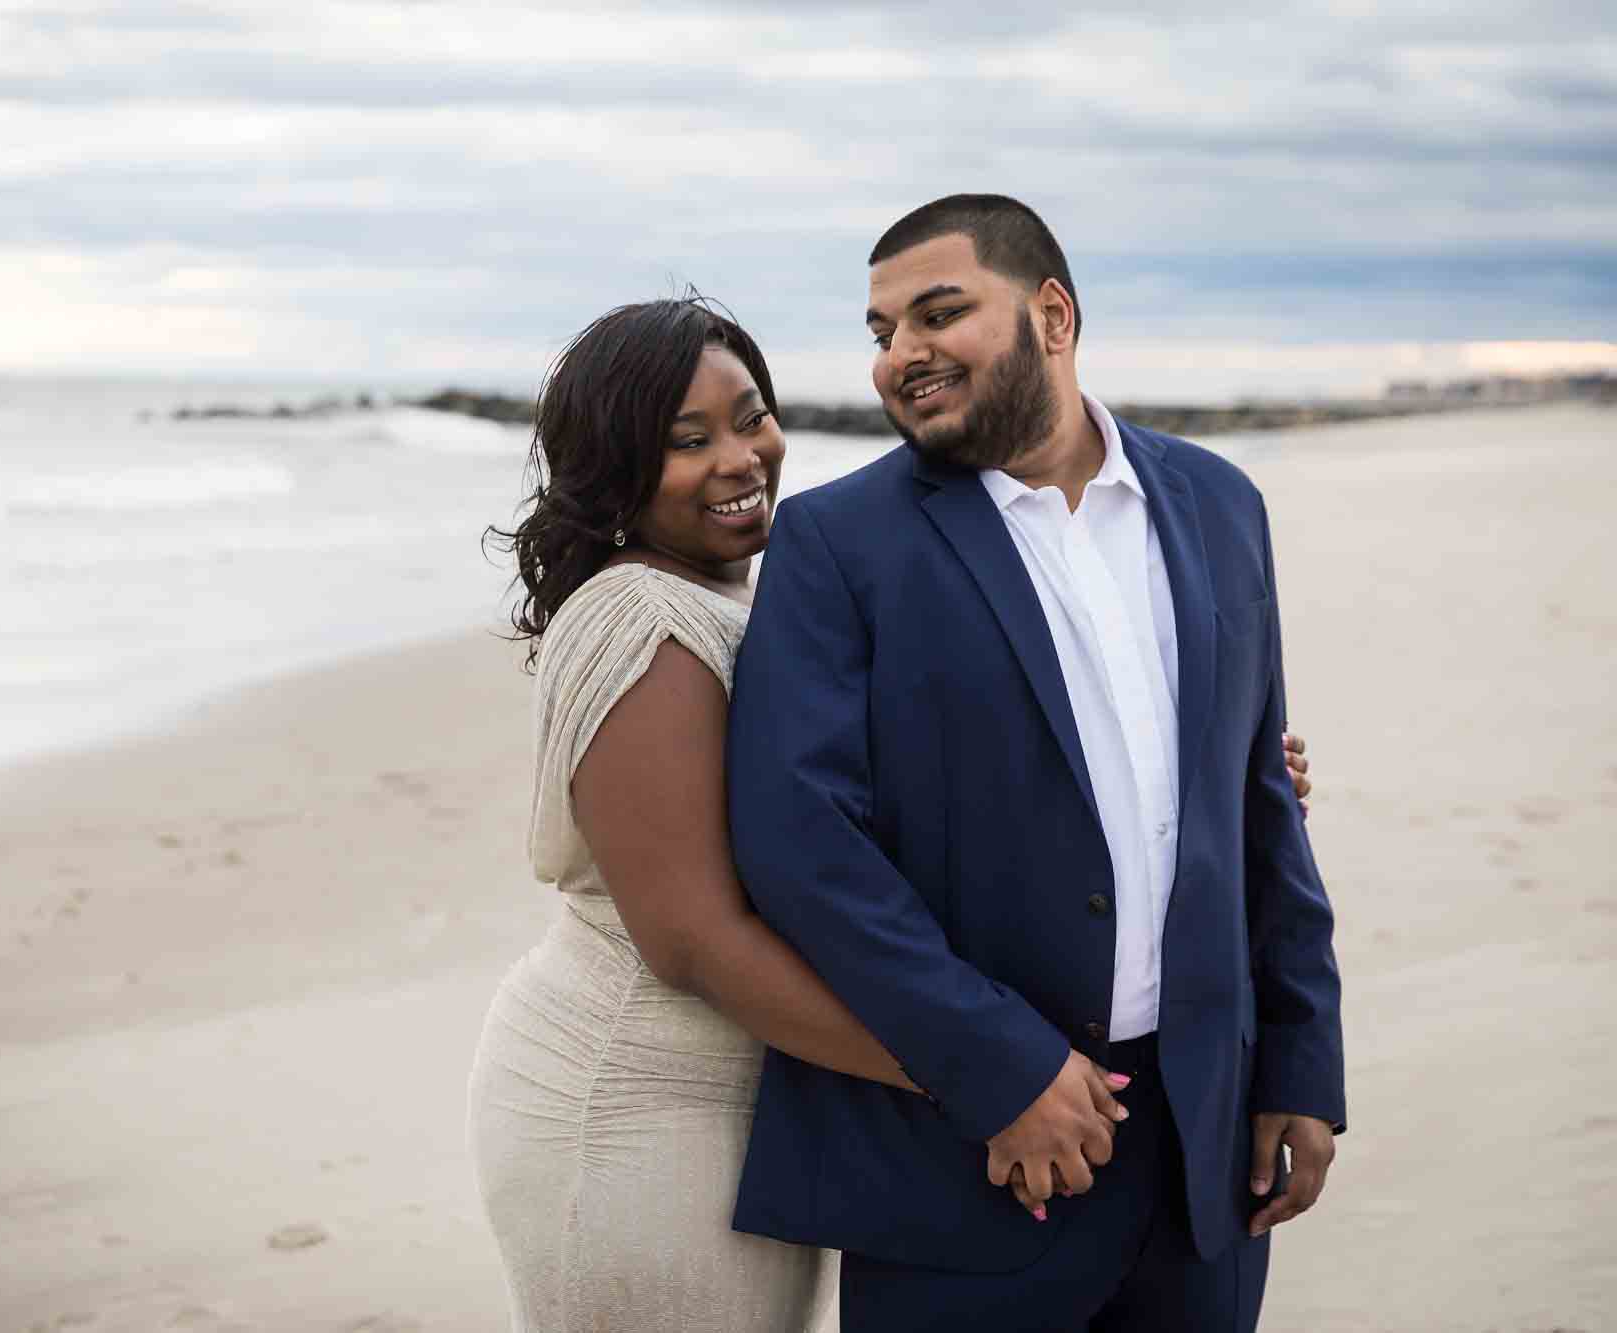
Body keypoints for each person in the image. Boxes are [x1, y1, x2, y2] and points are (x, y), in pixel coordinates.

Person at [466, 293, 1318, 1332]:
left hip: (766, 1094)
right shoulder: (643, 618)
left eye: (750, 416)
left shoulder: (744, 591)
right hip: (642, 1101)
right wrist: (986, 1077)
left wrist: (1178, 786)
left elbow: (923, 788)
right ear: (614, 470)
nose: (740, 458)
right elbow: (692, 938)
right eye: (686, 442)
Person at [726, 194, 1344, 1331]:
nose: (898, 357)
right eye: (879, 333)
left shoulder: (1217, 505)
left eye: (937, 313)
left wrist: (1299, 1061)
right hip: (968, 1157)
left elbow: (1256, 803)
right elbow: (798, 842)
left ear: (1049, 314)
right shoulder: (836, 544)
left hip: (1203, 1152)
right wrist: (995, 1066)